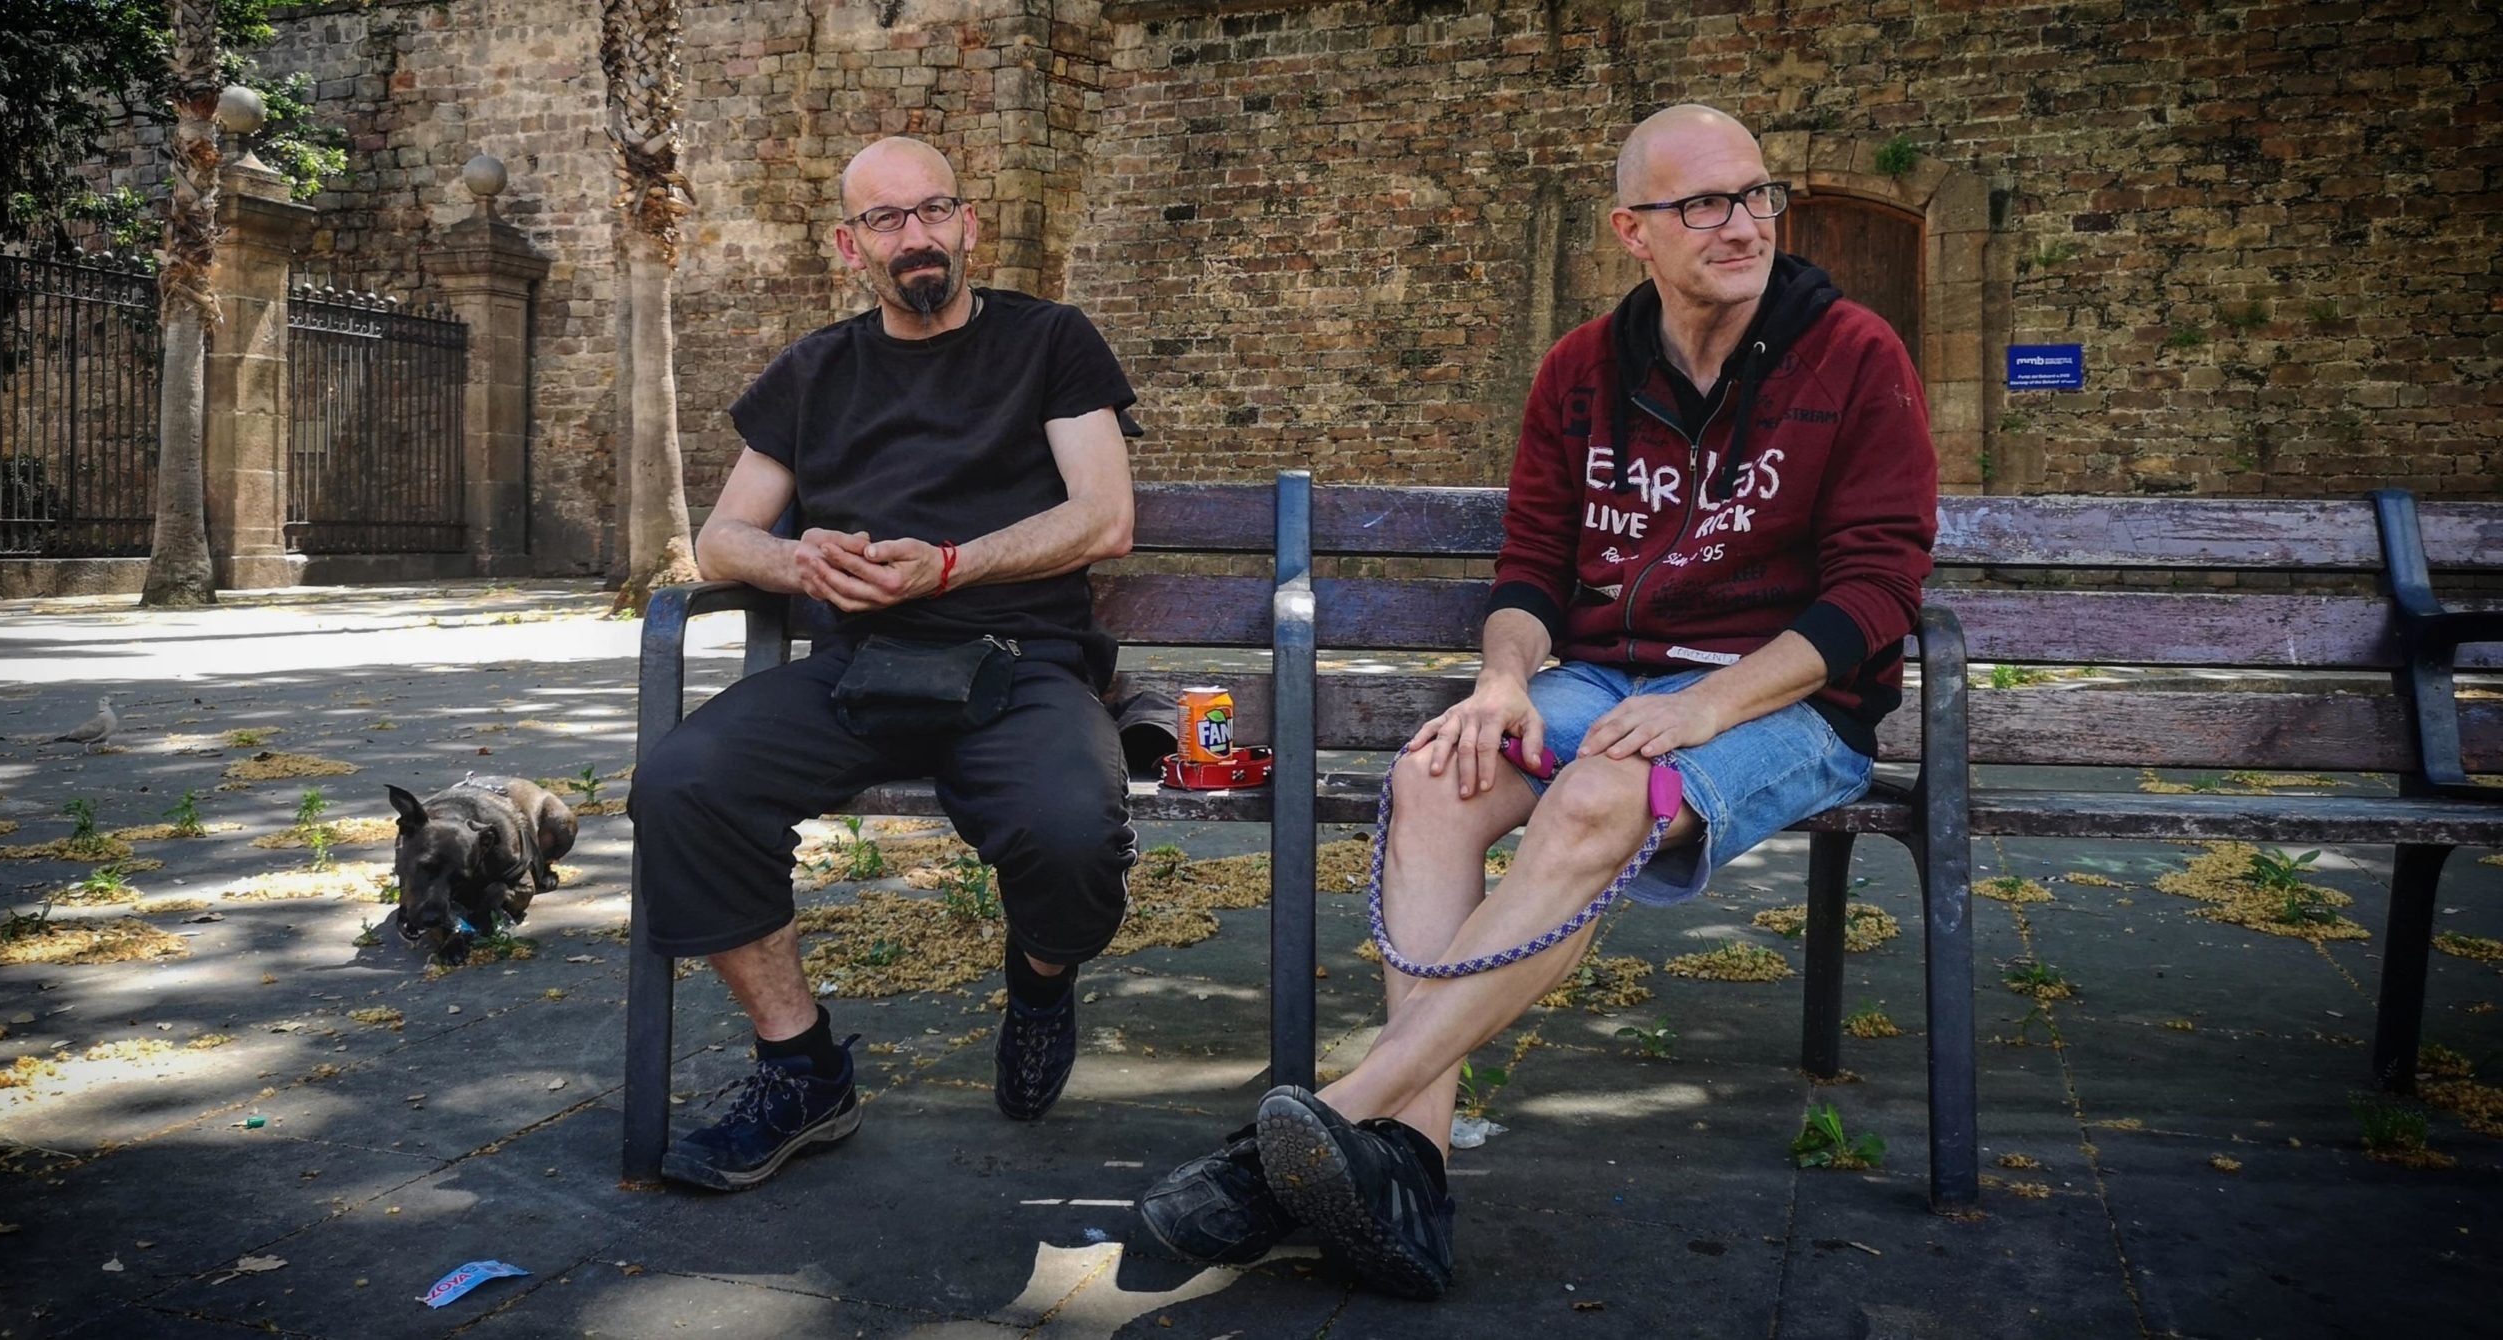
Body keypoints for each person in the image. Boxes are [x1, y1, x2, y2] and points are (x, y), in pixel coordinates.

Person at [1138, 104, 1938, 1296]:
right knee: (1434, 773)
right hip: (1602, 675)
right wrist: (1503, 677)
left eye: (1756, 195)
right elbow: (1529, 572)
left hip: (1791, 701)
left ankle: (1327, 1121)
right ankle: (1405, 1160)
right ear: (1634, 231)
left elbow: (1879, 591)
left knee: (1594, 802)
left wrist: (1710, 704)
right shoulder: (1579, 371)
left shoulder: (1856, 353)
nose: (1742, 223)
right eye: (1702, 204)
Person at [630, 137, 1141, 1192]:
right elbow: (724, 538)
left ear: (967, 223)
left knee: (1073, 833)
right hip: (862, 665)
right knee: (685, 784)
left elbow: (1106, 516)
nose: (916, 237)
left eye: (933, 211)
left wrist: (952, 565)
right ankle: (800, 1065)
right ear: (848, 244)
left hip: (1020, 659)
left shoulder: (1051, 341)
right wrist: (797, 557)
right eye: (887, 220)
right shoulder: (816, 369)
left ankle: (1039, 977)